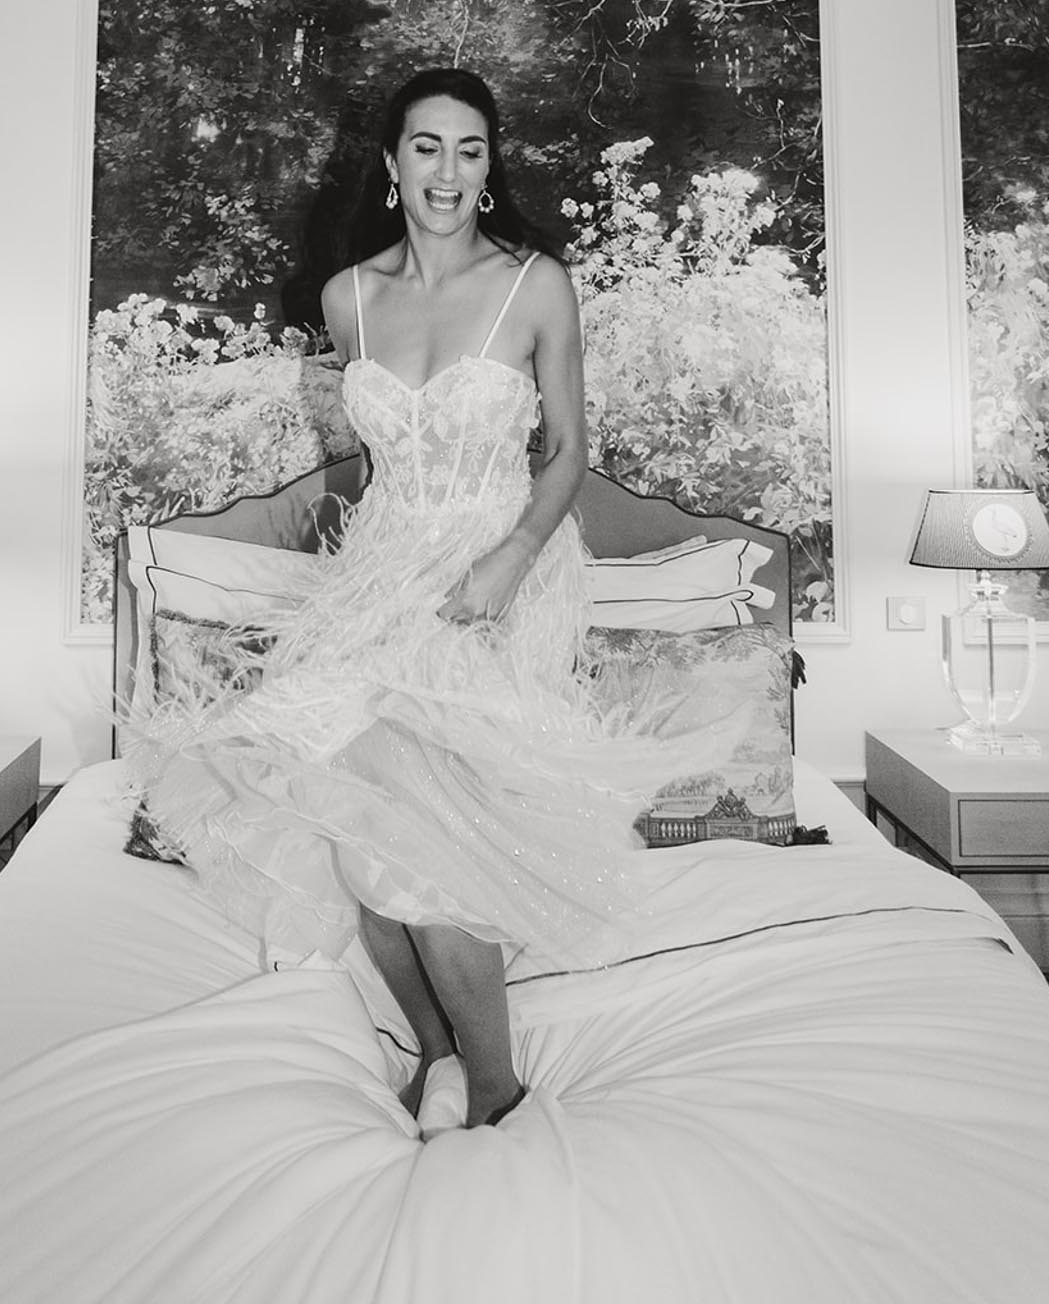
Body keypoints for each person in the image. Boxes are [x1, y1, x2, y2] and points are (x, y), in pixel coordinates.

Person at [128, 68, 662, 1132]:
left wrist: (507, 557)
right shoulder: (347, 297)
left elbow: (566, 455)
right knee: (350, 810)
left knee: (415, 819)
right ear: (390, 164)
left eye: (471, 150)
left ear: (489, 165)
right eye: (428, 147)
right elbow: (383, 468)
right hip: (382, 566)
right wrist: (381, 577)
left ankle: (497, 1083)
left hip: (501, 561)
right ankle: (437, 1050)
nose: (449, 172)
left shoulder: (533, 283)